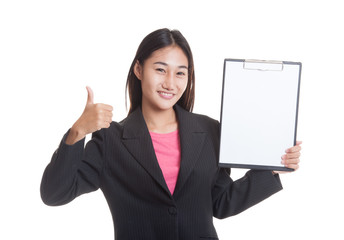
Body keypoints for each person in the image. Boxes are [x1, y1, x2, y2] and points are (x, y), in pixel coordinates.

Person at [40, 28, 301, 240]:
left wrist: (271, 170)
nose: (170, 83)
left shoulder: (210, 131)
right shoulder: (110, 140)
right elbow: (54, 194)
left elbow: (220, 203)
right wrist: (78, 131)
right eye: (160, 69)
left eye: (180, 73)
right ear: (139, 70)